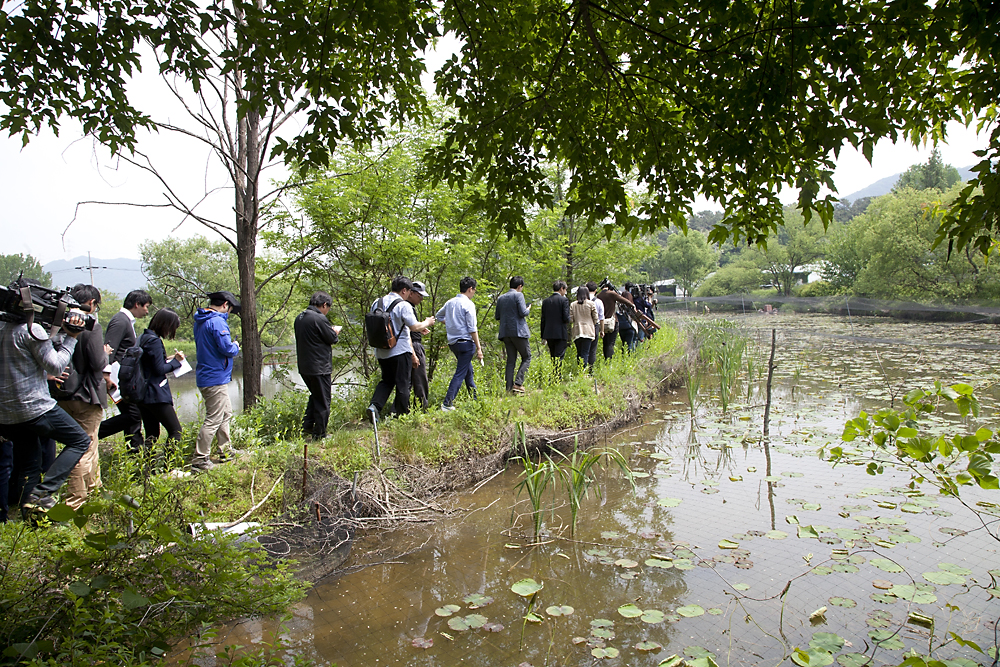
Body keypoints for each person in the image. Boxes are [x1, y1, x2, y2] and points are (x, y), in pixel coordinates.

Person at [0, 284, 91, 518]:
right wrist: (71, 338)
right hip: (35, 407)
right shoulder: (32, 330)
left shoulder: (3, 328)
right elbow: (56, 365)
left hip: (8, 414)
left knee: (29, 465)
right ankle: (44, 491)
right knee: (80, 440)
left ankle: (31, 516)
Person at [47, 284, 108, 510]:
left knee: (89, 445)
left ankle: (94, 491)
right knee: (83, 447)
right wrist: (105, 353)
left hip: (62, 394)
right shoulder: (90, 326)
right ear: (91, 303)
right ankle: (74, 502)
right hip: (86, 394)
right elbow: (98, 363)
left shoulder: (57, 324)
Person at [367, 277, 435, 422]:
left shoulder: (376, 302)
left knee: (386, 380)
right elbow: (414, 327)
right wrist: (427, 322)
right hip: (399, 351)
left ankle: (374, 406)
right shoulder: (403, 305)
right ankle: (400, 417)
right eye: (409, 291)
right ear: (404, 290)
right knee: (403, 384)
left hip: (381, 350)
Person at [98, 289, 152, 452]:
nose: (147, 311)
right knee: (133, 415)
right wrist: (107, 376)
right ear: (137, 304)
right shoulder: (120, 321)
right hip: (117, 379)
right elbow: (109, 349)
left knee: (134, 417)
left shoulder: (126, 321)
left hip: (124, 378)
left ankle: (135, 451)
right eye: (146, 307)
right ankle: (90, 436)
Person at [192, 291, 241, 471]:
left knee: (225, 412)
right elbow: (227, 348)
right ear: (225, 305)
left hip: (208, 375)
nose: (229, 313)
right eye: (230, 309)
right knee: (214, 418)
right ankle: (200, 458)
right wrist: (235, 346)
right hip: (214, 377)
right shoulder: (217, 321)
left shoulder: (201, 320)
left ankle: (225, 450)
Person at [294, 291, 341, 439]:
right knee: (323, 400)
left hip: (305, 366)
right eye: (328, 308)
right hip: (319, 366)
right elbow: (332, 338)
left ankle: (307, 426)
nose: (327, 311)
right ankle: (320, 434)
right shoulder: (318, 318)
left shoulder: (300, 317)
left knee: (316, 396)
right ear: (324, 305)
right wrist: (335, 331)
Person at [137, 308, 185, 448]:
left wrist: (169, 359)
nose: (170, 332)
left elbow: (150, 363)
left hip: (143, 395)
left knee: (152, 434)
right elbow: (159, 370)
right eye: (172, 328)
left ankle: (147, 467)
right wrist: (176, 362)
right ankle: (167, 467)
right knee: (176, 432)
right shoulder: (155, 342)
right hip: (156, 395)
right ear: (166, 325)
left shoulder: (143, 338)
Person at [436, 276, 483, 411]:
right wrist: (479, 349)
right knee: (460, 373)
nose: (474, 293)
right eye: (474, 290)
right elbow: (473, 329)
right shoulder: (468, 304)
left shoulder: (450, 302)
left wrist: (451, 324)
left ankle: (475, 399)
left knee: (468, 371)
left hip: (453, 343)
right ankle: (447, 403)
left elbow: (439, 316)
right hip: (466, 344)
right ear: (470, 289)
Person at [495, 276, 531, 394]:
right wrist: (528, 308)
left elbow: (497, 316)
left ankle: (509, 388)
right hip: (519, 332)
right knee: (527, 357)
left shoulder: (501, 298)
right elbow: (523, 312)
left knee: (511, 360)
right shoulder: (518, 295)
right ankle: (518, 383)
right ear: (520, 286)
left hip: (505, 332)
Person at [406, 281, 431, 411]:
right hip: (414, 346)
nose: (421, 299)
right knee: (420, 379)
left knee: (407, 381)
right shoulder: (406, 307)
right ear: (411, 293)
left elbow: (408, 327)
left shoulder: (406, 307)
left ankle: (400, 409)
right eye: (420, 295)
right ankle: (422, 408)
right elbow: (407, 330)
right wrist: (426, 323)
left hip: (409, 347)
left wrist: (419, 329)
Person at [597, 282, 631, 360]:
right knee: (611, 343)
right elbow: (624, 300)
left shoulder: (599, 296)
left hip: (603, 322)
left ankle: (606, 358)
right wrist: (632, 305)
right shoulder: (612, 294)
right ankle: (609, 361)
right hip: (612, 321)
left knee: (605, 343)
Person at [540, 280, 570, 367]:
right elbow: (566, 318)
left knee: (553, 356)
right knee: (559, 356)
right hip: (560, 333)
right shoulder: (564, 300)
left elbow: (543, 319)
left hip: (549, 333)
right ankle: (557, 377)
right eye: (565, 289)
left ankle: (554, 377)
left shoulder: (546, 301)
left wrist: (543, 335)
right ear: (561, 289)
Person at [569, 286, 599, 372]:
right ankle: (584, 371)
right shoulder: (591, 304)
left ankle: (580, 369)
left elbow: (571, 319)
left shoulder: (573, 304)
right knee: (586, 352)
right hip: (588, 331)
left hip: (577, 330)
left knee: (579, 352)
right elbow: (596, 318)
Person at [586, 281, 604, 368]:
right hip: (594, 326)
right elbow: (601, 317)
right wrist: (602, 330)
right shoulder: (599, 302)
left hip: (584, 326)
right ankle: (591, 369)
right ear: (596, 290)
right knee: (593, 349)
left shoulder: (580, 300)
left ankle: (582, 368)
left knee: (584, 349)